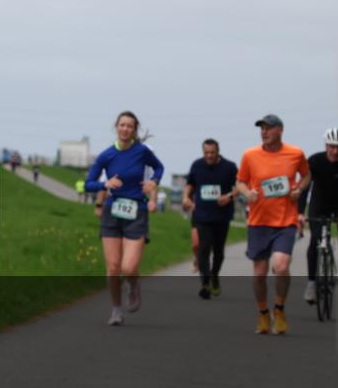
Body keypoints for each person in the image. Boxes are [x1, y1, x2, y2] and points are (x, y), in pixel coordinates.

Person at [84, 111, 164, 326]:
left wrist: (154, 182)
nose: (125, 129)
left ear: (134, 130)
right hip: (112, 212)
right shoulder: (106, 155)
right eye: (122, 125)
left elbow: (159, 167)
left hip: (136, 212)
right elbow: (88, 184)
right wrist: (105, 184)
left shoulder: (142, 152)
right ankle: (116, 310)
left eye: (129, 126)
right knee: (112, 267)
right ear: (116, 127)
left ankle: (133, 283)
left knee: (128, 267)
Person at [236, 114, 310, 335]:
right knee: (259, 273)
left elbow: (307, 176)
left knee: (281, 266)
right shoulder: (250, 155)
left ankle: (279, 309)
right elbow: (240, 181)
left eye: (268, 128)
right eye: (262, 128)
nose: (264, 132)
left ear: (280, 130)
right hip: (259, 222)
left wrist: (299, 189)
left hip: (285, 221)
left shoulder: (295, 153)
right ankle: (262, 313)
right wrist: (247, 193)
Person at [299, 127, 338, 303]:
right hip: (319, 204)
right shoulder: (314, 161)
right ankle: (311, 283)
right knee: (315, 240)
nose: (335, 151)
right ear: (326, 145)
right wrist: (299, 213)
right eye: (332, 146)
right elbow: (304, 189)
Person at [182, 139, 238, 299]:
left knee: (218, 251)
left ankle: (214, 275)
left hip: (222, 215)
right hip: (202, 214)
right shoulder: (197, 165)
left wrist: (229, 196)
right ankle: (205, 283)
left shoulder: (229, 167)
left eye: (212, 153)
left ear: (218, 151)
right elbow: (190, 184)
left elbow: (239, 187)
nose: (209, 156)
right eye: (206, 153)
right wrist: (186, 197)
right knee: (203, 248)